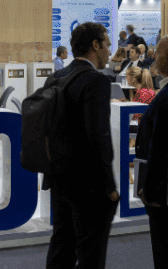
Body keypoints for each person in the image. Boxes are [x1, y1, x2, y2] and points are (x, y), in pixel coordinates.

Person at [44, 22, 119, 269]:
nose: (110, 51)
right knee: (91, 256)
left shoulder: (55, 78)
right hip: (88, 185)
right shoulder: (96, 81)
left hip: (59, 179)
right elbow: (99, 135)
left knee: (61, 249)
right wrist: (109, 186)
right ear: (95, 45)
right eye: (107, 44)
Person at [135, 36, 168, 268]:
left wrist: (152, 192)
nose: (154, 56)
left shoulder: (165, 98)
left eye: (160, 52)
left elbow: (161, 147)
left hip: (163, 194)